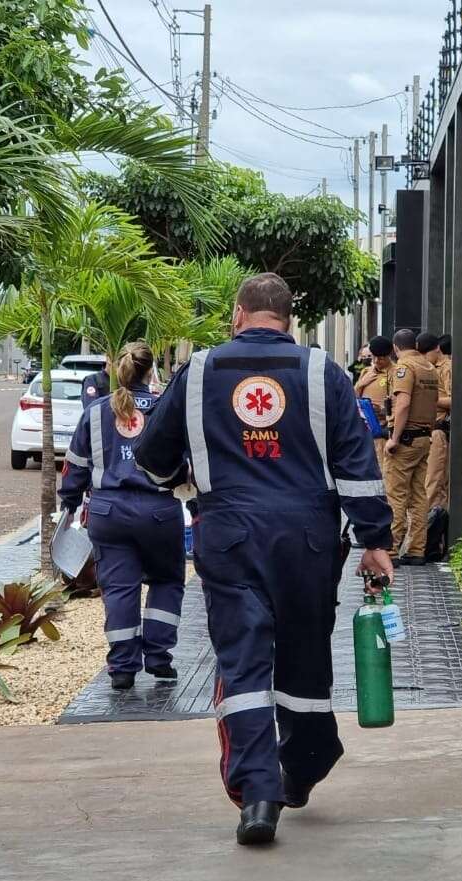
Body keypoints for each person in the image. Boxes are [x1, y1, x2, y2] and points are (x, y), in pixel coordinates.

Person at [133, 272, 394, 847]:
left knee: (243, 662)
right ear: (289, 318)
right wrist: (376, 540)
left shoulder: (199, 371)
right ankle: (305, 761)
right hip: (308, 538)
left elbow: (150, 458)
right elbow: (357, 465)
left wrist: (183, 481)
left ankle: (257, 795)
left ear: (237, 314)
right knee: (304, 654)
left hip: (228, 535)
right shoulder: (321, 372)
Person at [60, 342, 186, 692]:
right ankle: (158, 657)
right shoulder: (164, 409)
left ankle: (122, 668)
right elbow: (183, 463)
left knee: (118, 589)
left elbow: (76, 466)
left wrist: (69, 502)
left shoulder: (97, 411)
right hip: (159, 512)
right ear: (151, 372)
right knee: (166, 580)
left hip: (108, 512)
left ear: (118, 369)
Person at [383, 328, 440, 565]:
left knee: (396, 495)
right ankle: (417, 549)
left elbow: (404, 403)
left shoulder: (404, 367)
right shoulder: (429, 368)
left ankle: (391, 550)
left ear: (395, 348)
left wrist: (394, 438)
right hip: (424, 438)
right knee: (419, 496)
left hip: (405, 439)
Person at [421, 333, 453, 511]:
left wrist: (431, 400)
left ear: (436, 350)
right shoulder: (430, 368)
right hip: (428, 430)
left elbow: (455, 400)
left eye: (425, 354)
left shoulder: (447, 367)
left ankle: (430, 525)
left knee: (433, 484)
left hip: (440, 430)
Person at [354, 335, 394, 469]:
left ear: (389, 355)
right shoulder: (366, 372)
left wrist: (382, 410)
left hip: (382, 431)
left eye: (380, 358)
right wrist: (361, 384)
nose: (376, 361)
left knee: (382, 471)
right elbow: (353, 398)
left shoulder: (395, 372)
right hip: (365, 431)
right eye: (373, 357)